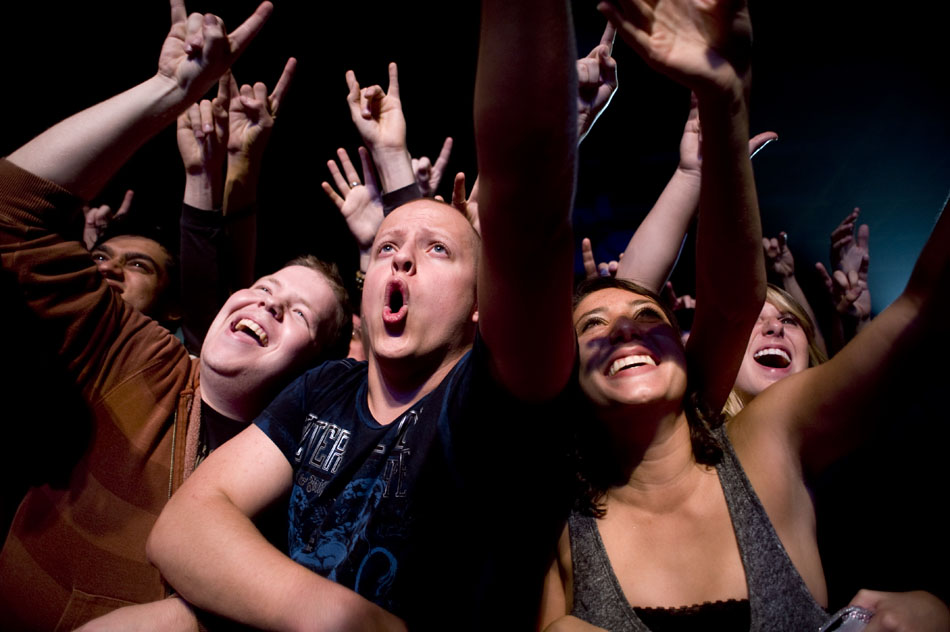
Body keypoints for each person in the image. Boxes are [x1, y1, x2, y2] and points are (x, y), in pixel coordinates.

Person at [146, 0, 580, 628]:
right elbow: (185, 526)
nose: (401, 261)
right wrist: (344, 620)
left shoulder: (496, 395)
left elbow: (531, 203)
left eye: (437, 250)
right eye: (385, 248)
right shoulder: (323, 387)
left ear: (486, 306)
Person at [540, 0, 950, 628]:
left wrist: (726, 99)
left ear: (684, 346)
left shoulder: (764, 444)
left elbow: (919, 305)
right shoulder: (558, 531)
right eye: (593, 327)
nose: (624, 327)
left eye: (648, 317)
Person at [0, 3, 354, 629]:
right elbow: (14, 212)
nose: (267, 299)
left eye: (300, 313)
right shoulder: (136, 357)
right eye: (267, 285)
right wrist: (167, 92)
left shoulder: (301, 481)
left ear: (316, 373)